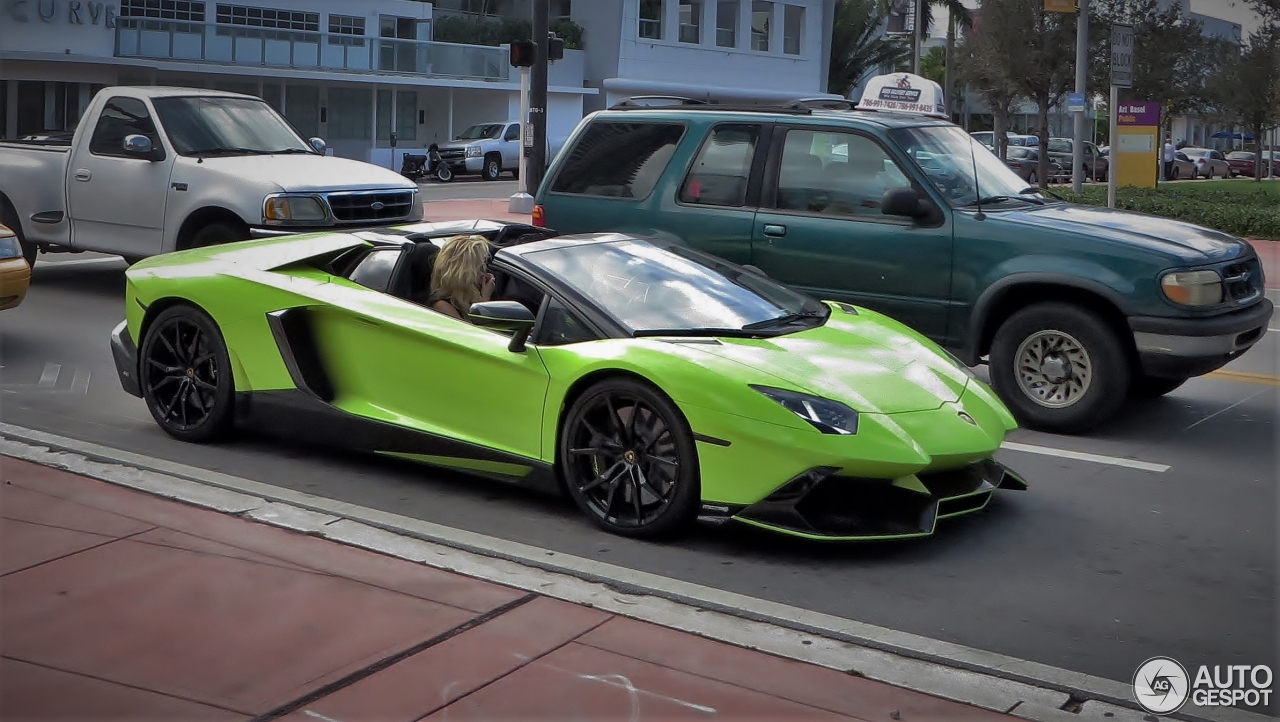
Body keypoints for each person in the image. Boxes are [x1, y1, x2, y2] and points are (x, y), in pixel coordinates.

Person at [426, 235, 496, 322]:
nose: (483, 274)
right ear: (463, 273)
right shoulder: (442, 305)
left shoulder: (469, 299)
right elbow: (476, 329)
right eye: (480, 268)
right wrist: (485, 299)